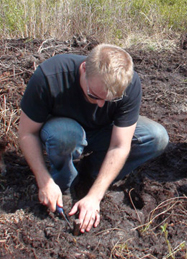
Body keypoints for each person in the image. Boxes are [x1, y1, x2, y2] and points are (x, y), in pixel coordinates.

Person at [18, 44, 169, 233]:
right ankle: (63, 183)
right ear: (83, 69)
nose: (100, 104)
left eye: (110, 100)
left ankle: (91, 175)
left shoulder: (129, 84)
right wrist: (43, 180)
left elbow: (119, 146)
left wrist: (95, 196)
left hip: (101, 132)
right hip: (63, 131)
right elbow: (27, 133)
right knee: (66, 136)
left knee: (156, 137)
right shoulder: (50, 76)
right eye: (93, 95)